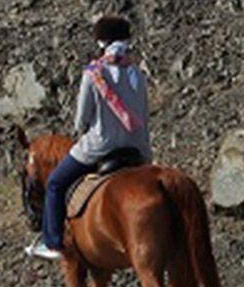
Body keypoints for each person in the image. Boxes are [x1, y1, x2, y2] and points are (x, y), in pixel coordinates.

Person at [25, 15, 152, 261]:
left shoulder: (95, 73)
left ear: (101, 41)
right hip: (137, 147)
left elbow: (81, 120)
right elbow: (144, 113)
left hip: (101, 146)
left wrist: (82, 129)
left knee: (56, 183)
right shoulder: (137, 72)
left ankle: (52, 242)